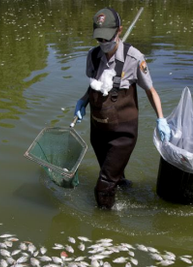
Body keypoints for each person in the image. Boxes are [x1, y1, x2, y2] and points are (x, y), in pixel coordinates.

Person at [74, 7, 170, 209]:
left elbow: (151, 91)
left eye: (107, 37)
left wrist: (161, 118)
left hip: (122, 133)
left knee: (103, 186)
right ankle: (124, 185)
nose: (103, 43)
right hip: (98, 130)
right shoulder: (92, 57)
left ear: (119, 30)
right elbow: (94, 86)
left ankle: (106, 229)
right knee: (112, 175)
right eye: (99, 39)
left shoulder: (134, 58)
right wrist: (83, 101)